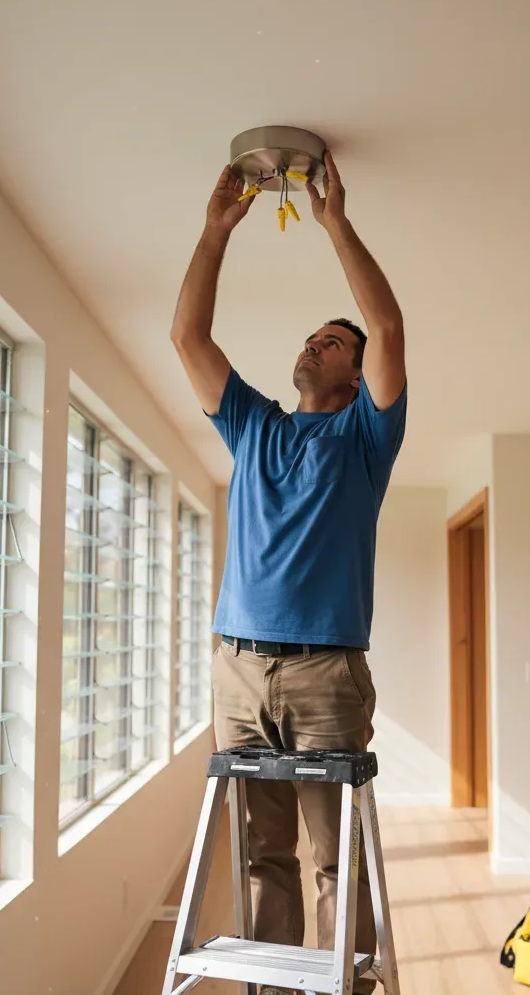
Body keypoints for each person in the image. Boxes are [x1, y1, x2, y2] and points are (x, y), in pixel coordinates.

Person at [171, 152, 406, 995]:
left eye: (334, 341)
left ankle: (346, 985)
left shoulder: (365, 440)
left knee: (333, 856)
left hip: (324, 673)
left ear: (356, 372)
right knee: (261, 857)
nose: (315, 344)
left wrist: (333, 223)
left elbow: (393, 328)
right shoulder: (253, 426)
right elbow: (188, 338)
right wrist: (215, 232)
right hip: (235, 666)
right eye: (311, 337)